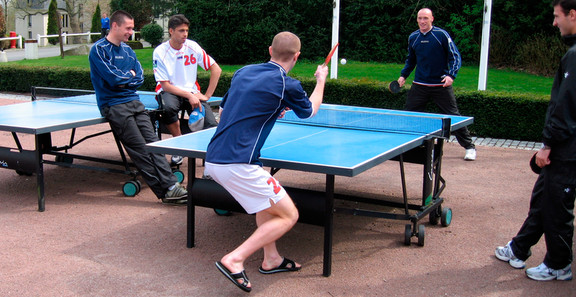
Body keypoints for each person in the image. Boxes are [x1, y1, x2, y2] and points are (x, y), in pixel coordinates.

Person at [204, 32, 329, 292]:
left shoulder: (243, 72)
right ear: (297, 57)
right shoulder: (287, 85)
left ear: (270, 49)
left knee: (267, 204)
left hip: (215, 156)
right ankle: (235, 259)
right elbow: (310, 110)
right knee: (289, 214)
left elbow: (225, 110)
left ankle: (272, 259)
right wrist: (321, 81)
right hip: (239, 163)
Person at [494, 0, 576, 282]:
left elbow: (564, 106)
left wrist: (547, 145)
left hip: (566, 149)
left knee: (558, 209)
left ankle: (559, 265)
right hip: (565, 147)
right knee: (543, 199)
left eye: (557, 16)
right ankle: (518, 249)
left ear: (572, 15)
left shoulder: (575, 56)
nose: (554, 23)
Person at [89, 10, 187, 205]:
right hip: (114, 106)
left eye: (132, 28)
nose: (131, 32)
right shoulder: (99, 50)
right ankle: (165, 192)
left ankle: (171, 186)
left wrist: (128, 78)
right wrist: (128, 76)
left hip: (134, 102)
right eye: (128, 28)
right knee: (140, 150)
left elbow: (140, 77)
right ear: (115, 26)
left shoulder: (128, 50)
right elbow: (113, 78)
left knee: (154, 144)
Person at [396, 8, 476, 161]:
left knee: (453, 117)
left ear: (432, 18)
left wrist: (451, 76)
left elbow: (455, 56)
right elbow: (411, 60)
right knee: (409, 116)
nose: (422, 21)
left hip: (440, 85)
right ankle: (407, 147)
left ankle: (469, 147)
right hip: (419, 85)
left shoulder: (441, 35)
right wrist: (403, 75)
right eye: (420, 18)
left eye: (425, 18)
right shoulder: (413, 37)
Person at [153, 14, 222, 166]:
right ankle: (179, 147)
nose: (185, 34)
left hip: (192, 92)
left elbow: (216, 69)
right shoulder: (160, 52)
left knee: (211, 124)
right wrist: (188, 95)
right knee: (168, 108)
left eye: (186, 30)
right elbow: (164, 85)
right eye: (181, 30)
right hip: (169, 91)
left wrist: (207, 95)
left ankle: (211, 163)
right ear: (171, 31)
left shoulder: (193, 46)